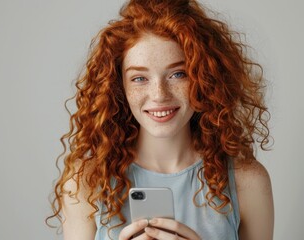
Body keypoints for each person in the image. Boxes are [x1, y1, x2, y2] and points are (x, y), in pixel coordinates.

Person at [47, 0, 274, 239]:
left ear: (204, 79)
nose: (159, 95)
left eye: (178, 74)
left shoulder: (247, 181)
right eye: (139, 78)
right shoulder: (86, 183)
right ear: (118, 86)